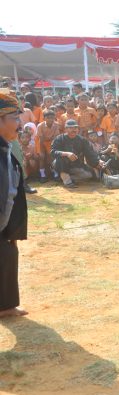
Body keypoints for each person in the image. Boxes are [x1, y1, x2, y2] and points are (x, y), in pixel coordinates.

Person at [0, 93, 28, 318]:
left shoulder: (6, 148)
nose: (19, 124)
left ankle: (6, 305)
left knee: (8, 254)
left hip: (4, 224)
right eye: (14, 118)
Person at [51, 119, 105, 188]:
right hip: (61, 163)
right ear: (66, 129)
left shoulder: (82, 140)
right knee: (60, 160)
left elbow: (90, 153)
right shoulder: (59, 138)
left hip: (76, 164)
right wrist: (67, 154)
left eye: (75, 128)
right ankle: (67, 181)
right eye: (71, 128)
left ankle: (63, 178)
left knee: (89, 175)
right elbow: (53, 152)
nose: (74, 130)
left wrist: (98, 161)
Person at [36, 110, 60, 183]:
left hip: (52, 143)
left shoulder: (56, 125)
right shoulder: (40, 126)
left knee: (52, 157)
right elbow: (41, 139)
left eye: (52, 117)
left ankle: (55, 174)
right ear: (44, 118)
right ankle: (42, 175)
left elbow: (55, 138)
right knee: (41, 157)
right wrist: (44, 151)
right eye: (48, 117)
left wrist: (49, 150)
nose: (50, 119)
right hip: (41, 143)